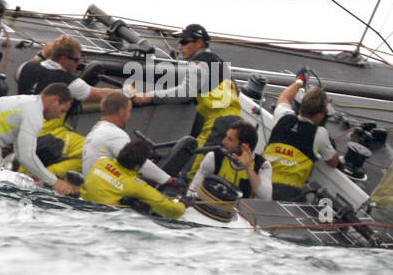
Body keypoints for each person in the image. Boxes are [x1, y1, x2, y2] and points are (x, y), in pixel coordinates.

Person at [131, 22, 241, 171]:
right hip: (234, 122)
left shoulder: (200, 61)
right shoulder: (219, 63)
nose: (179, 46)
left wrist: (149, 96)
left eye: (184, 41)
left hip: (217, 121)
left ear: (199, 43)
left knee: (197, 167)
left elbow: (185, 92)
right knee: (216, 166)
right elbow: (237, 92)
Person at [15, 35, 107, 178]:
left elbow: (23, 70)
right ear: (63, 59)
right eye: (76, 60)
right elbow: (100, 94)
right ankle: (45, 176)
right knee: (94, 151)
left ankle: (30, 173)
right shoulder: (70, 82)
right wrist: (128, 92)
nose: (78, 64)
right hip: (45, 135)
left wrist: (43, 54)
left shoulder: (25, 68)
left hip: (19, 130)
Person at [0, 83, 77, 195]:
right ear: (55, 100)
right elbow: (26, 156)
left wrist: (38, 174)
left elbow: (19, 151)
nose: (59, 116)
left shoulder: (28, 103)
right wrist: (55, 182)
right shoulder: (34, 113)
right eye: (62, 111)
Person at [81, 90, 180, 191]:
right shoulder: (114, 134)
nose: (129, 116)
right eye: (129, 111)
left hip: (93, 188)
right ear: (121, 111)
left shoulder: (95, 130)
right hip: (106, 193)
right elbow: (137, 162)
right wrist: (170, 180)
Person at [264, 73, 339, 201]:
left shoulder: (283, 116)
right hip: (288, 193)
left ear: (301, 106)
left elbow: (284, 97)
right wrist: (329, 145)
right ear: (321, 115)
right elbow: (333, 162)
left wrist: (300, 81)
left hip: (261, 183)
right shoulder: (319, 134)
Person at [81, 139, 186, 219]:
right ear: (137, 166)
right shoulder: (136, 186)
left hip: (83, 210)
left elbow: (116, 177)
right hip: (107, 218)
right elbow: (173, 211)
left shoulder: (101, 162)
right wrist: (183, 203)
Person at [191, 118, 272, 201]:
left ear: (244, 146)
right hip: (211, 208)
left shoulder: (262, 165)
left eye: (230, 139)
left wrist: (249, 168)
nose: (223, 141)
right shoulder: (214, 157)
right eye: (226, 136)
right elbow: (193, 188)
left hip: (240, 212)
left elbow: (266, 198)